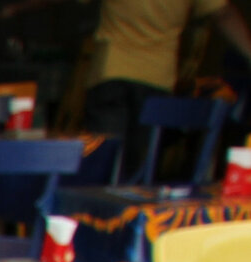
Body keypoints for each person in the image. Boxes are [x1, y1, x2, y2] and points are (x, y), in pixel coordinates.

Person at [82, 0, 251, 178]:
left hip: (110, 72)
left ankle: (96, 202)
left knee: (100, 164)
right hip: (156, 80)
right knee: (139, 172)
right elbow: (224, 14)